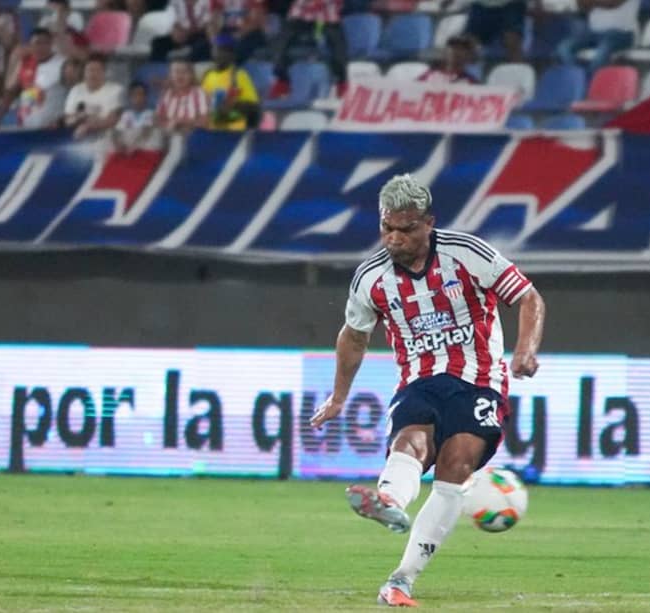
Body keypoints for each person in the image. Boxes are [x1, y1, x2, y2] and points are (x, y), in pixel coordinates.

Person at [310, 173, 545, 606]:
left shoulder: (467, 254)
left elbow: (528, 297)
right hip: (418, 380)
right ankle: (388, 501)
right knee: (410, 442)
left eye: (406, 228)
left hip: (479, 381)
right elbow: (354, 335)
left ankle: (400, 580)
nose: (395, 238)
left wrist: (525, 350)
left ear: (428, 223)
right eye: (387, 229)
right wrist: (339, 396)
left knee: (456, 463)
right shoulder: (370, 278)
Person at [0, 27, 65, 130]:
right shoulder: (24, 63)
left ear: (51, 44)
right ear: (30, 46)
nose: (41, 47)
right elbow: (10, 94)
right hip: (25, 129)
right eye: (37, 43)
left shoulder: (63, 64)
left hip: (52, 130)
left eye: (45, 43)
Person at [269, 0, 347, 99]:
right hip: (301, 16)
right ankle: (282, 81)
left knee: (339, 46)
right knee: (281, 43)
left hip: (327, 17)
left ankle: (342, 83)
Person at [556, 0, 638, 79]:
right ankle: (580, 79)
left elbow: (612, 3)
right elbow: (581, 6)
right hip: (593, 33)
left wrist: (590, 2)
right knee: (564, 48)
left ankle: (591, 83)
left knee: (603, 51)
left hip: (621, 34)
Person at [200, 34, 259, 130]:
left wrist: (232, 106)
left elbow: (253, 107)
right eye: (216, 50)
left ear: (232, 54)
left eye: (224, 51)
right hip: (211, 132)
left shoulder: (239, 75)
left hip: (234, 132)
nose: (219, 54)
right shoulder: (207, 75)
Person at [63, 53, 124, 139]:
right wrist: (82, 118)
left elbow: (112, 120)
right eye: (90, 70)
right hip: (75, 135)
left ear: (104, 72)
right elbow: (68, 119)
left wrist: (87, 126)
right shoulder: (76, 90)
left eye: (97, 70)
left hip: (107, 137)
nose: (93, 74)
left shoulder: (116, 90)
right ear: (84, 73)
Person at [156, 59, 209, 133]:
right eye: (177, 72)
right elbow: (158, 121)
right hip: (169, 137)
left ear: (191, 75)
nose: (180, 76)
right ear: (170, 75)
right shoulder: (166, 95)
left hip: (194, 136)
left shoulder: (199, 94)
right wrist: (168, 126)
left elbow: (205, 121)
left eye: (184, 72)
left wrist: (181, 122)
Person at [112, 81, 163, 153]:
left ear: (146, 97)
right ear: (129, 98)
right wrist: (119, 145)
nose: (138, 98)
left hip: (144, 149)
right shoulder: (126, 115)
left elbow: (146, 133)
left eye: (141, 94)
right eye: (134, 95)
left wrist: (133, 146)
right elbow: (117, 133)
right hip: (126, 149)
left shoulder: (151, 114)